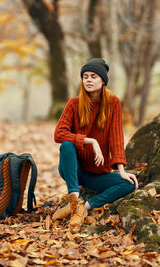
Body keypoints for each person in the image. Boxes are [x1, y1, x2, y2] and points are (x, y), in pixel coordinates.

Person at [53, 58, 138, 226]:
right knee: (67, 145)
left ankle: (84, 207)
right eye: (85, 76)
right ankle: (74, 198)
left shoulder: (113, 103)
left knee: (130, 184)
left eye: (93, 76)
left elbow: (116, 137)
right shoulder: (74, 103)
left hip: (97, 174)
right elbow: (59, 134)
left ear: (103, 80)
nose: (89, 80)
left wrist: (121, 170)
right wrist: (90, 141)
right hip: (73, 170)